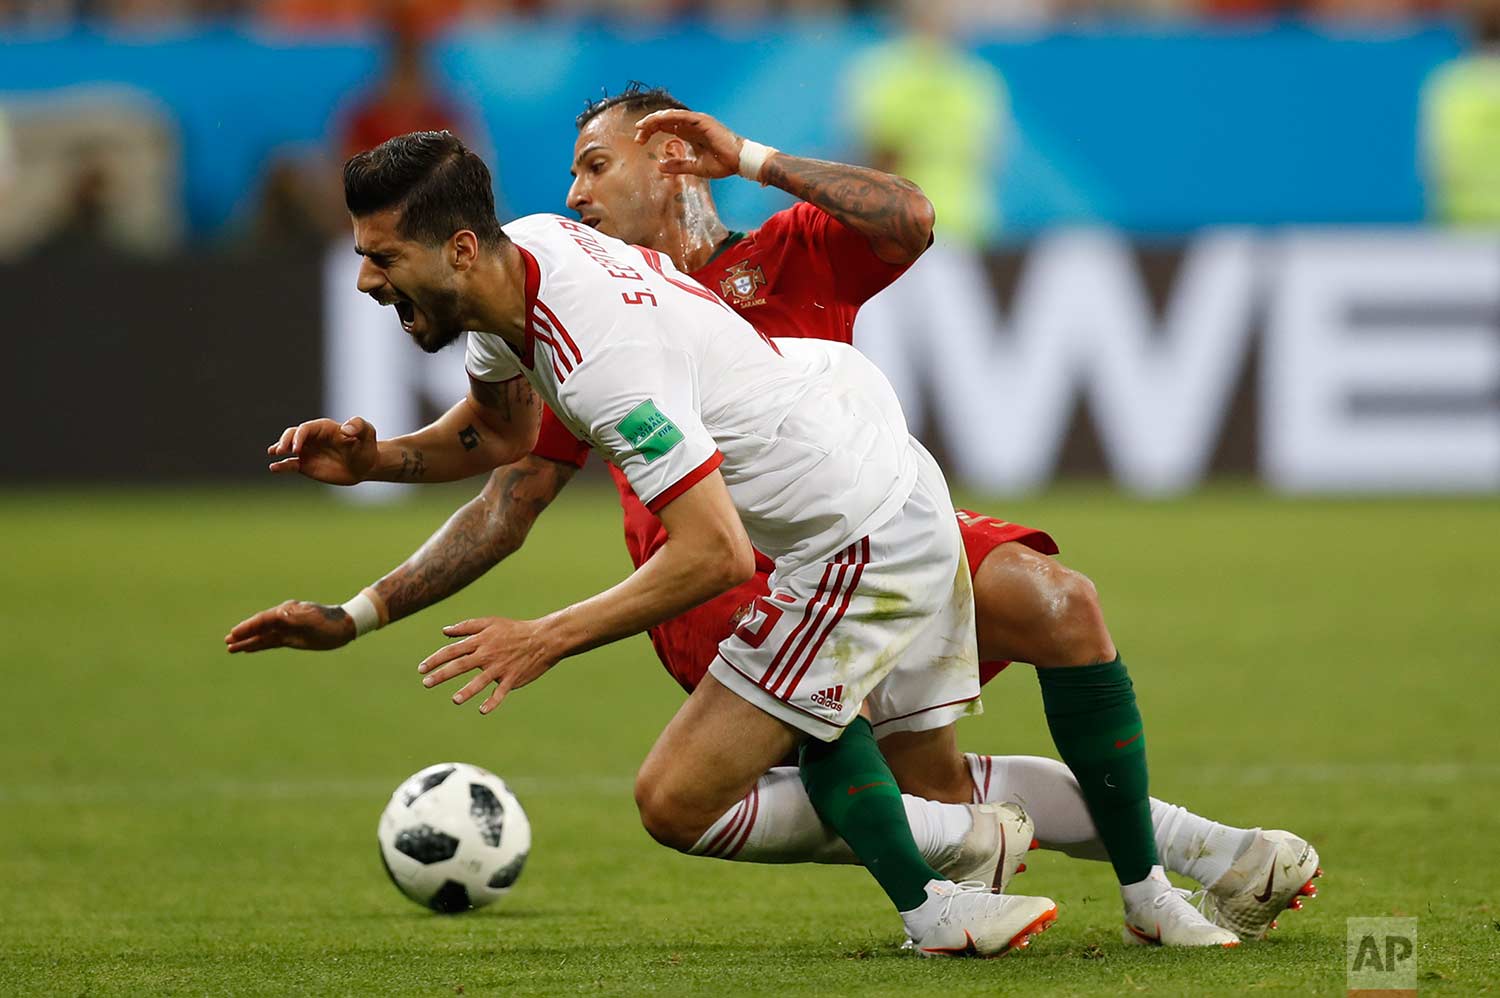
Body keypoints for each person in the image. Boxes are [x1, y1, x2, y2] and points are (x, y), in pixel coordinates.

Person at [228, 90, 1320, 945]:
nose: (580, 188)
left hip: (831, 520)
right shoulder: (534, 268)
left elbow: (715, 539)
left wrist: (544, 635)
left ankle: (979, 889)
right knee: (880, 752)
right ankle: (1051, 876)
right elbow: (504, 452)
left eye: (598, 163)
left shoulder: (629, 341)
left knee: (713, 779)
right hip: (808, 509)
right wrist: (378, 482)